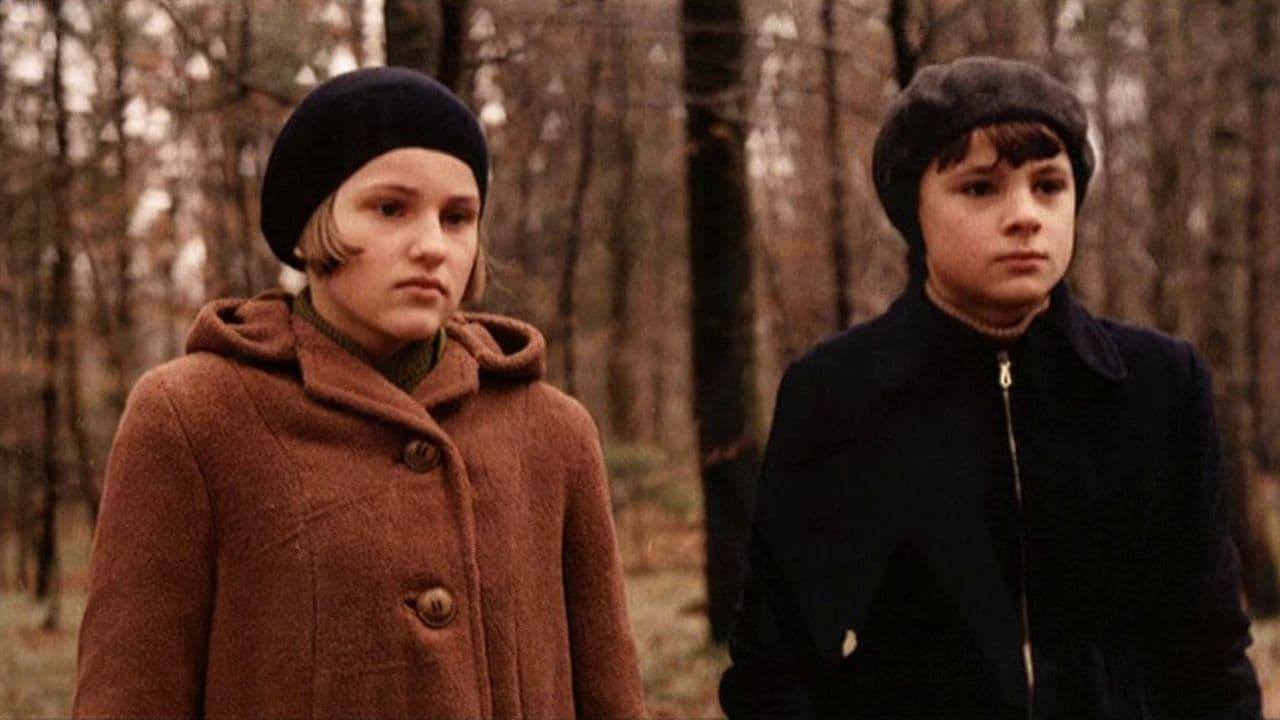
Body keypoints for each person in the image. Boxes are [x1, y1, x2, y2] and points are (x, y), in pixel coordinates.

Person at [73, 66, 646, 719]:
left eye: (458, 218)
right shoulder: (193, 417)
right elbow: (130, 696)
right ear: (314, 223)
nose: (431, 246)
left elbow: (612, 698)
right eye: (390, 209)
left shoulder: (553, 431)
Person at [719, 56, 1261, 719]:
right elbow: (774, 670)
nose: (1025, 216)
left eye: (1049, 186)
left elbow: (1214, 659)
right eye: (980, 189)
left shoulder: (1160, 388)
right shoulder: (838, 398)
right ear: (914, 210)